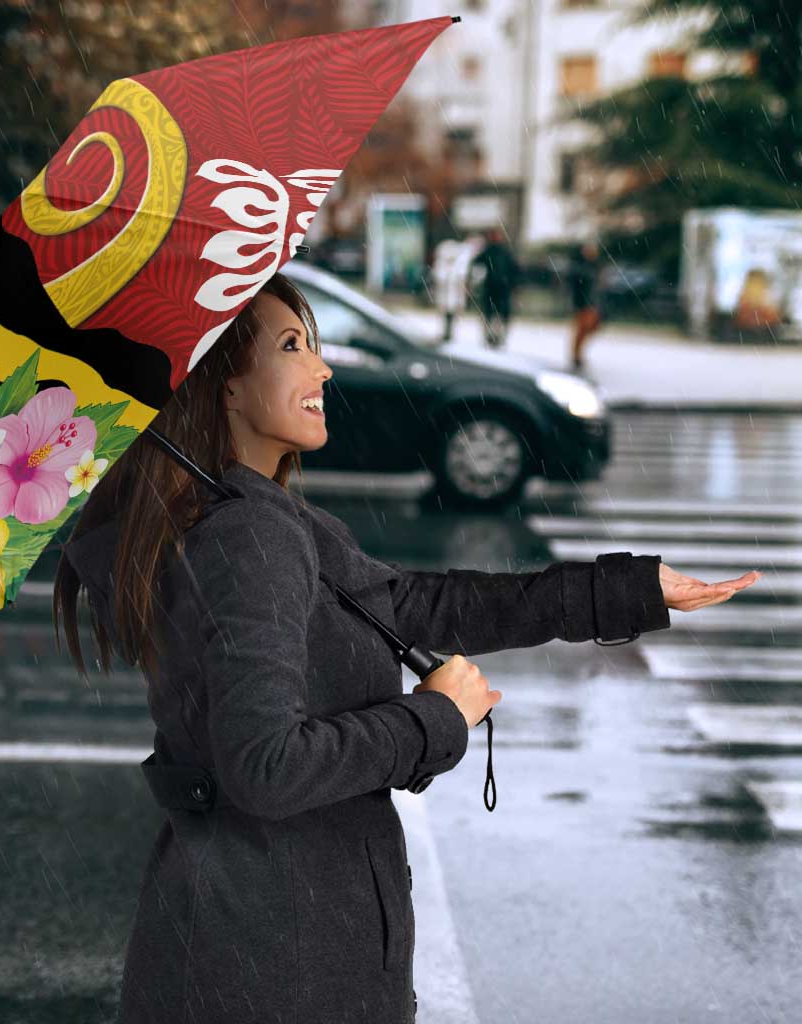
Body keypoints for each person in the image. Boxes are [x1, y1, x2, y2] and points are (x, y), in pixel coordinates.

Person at [55, 271, 755, 1024]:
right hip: (276, 962)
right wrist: (433, 719)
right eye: (292, 346)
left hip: (258, 942)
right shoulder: (247, 536)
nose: (322, 368)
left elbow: (418, 605)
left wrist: (628, 591)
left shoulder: (255, 517)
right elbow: (265, 767)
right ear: (223, 385)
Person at [470, 226, 520, 349]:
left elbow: (514, 270)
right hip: (493, 288)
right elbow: (476, 264)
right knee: (491, 314)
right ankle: (491, 337)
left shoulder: (503, 252)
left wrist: (513, 284)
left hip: (501, 288)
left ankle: (497, 337)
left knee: (498, 315)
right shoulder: (490, 251)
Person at [568, 239, 604, 371]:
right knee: (582, 329)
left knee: (590, 328)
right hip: (583, 303)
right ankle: (576, 355)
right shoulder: (580, 267)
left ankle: (578, 354)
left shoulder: (595, 266)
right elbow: (577, 286)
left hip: (592, 303)